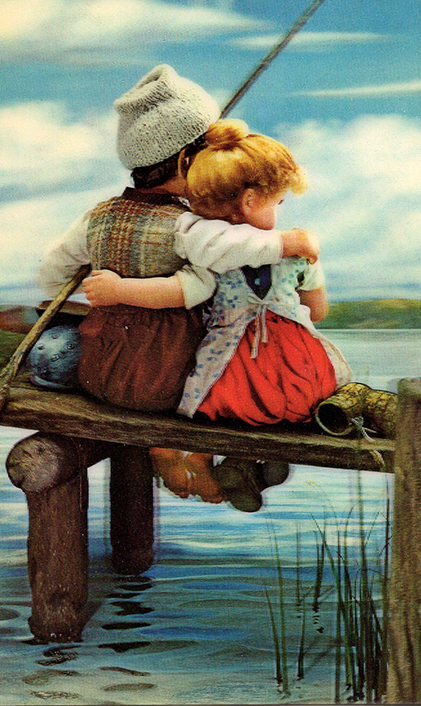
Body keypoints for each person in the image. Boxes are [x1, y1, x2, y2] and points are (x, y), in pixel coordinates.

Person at [37, 65, 321, 503]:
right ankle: (196, 455)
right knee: (230, 365)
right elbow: (229, 247)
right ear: (189, 161)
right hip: (166, 381)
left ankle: (195, 460)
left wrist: (109, 279)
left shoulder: (96, 217)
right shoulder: (185, 226)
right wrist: (289, 242)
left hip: (101, 373)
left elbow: (50, 277)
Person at [82, 119, 352, 506]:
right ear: (250, 201)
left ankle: (201, 458)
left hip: (226, 380)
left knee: (210, 401)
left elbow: (179, 293)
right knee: (304, 400)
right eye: (278, 202)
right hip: (294, 382)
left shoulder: (207, 257)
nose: (279, 211)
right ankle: (243, 464)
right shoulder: (299, 253)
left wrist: (119, 290)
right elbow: (319, 311)